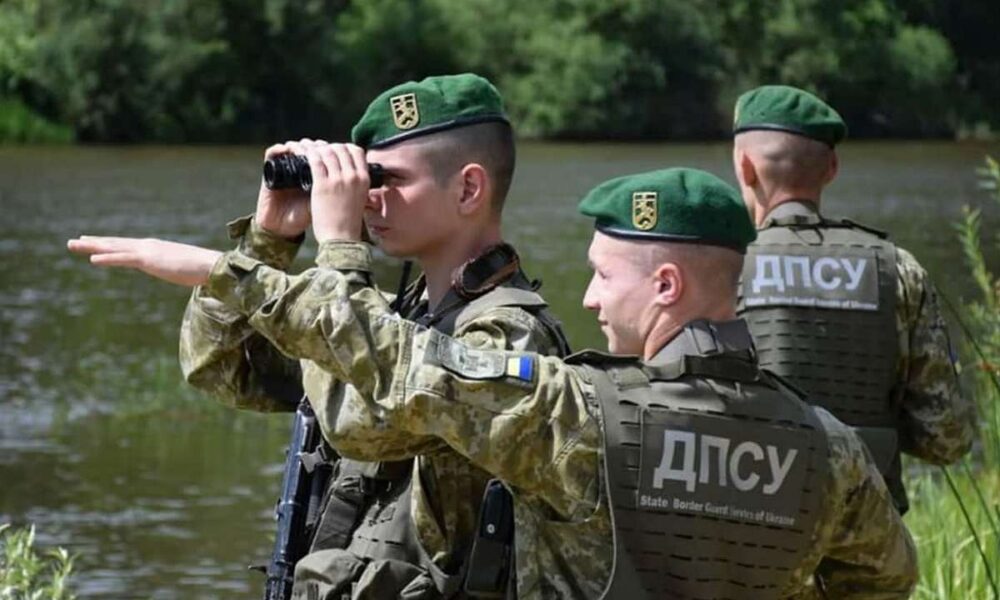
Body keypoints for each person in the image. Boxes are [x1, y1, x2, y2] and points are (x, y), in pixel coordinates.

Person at [73, 166, 919, 598]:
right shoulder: (827, 444)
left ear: (665, 288)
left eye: (603, 277)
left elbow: (414, 371)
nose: (586, 297)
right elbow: (885, 579)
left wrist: (233, 272)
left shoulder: (581, 416)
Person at [71, 73, 570, 599]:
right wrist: (269, 240)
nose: (369, 199)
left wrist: (336, 251)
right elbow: (220, 369)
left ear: (468, 188)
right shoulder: (395, 319)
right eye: (363, 179)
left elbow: (362, 424)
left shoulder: (513, 336)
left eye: (387, 180)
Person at [730, 85, 976, 513]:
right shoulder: (897, 269)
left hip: (756, 539)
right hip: (866, 541)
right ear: (832, 168)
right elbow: (947, 438)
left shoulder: (721, 267)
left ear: (745, 167)